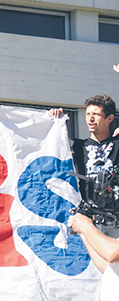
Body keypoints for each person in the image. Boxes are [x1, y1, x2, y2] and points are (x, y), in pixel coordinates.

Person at [66, 95, 119, 301]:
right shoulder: (76, 146)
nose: (90, 118)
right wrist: (53, 119)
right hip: (89, 219)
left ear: (110, 118)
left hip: (115, 220)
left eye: (96, 114)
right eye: (87, 114)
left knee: (112, 271)